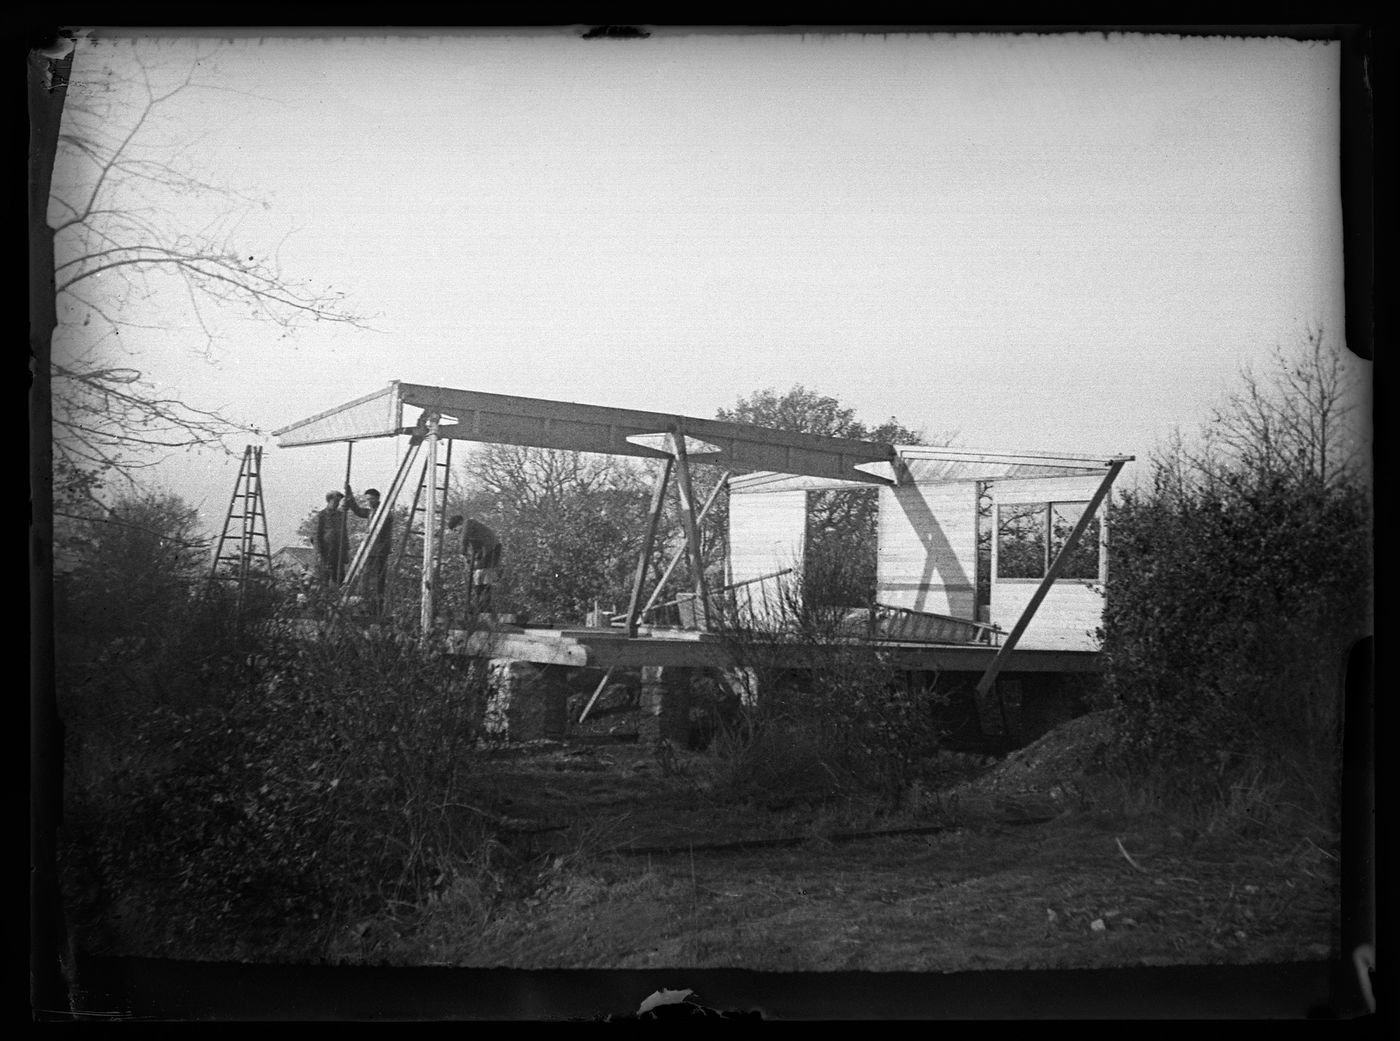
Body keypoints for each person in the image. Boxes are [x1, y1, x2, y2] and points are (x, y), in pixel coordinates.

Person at [345, 485, 392, 615]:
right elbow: (358, 511)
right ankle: (367, 605)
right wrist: (350, 496)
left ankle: (376, 608)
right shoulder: (372, 512)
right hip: (370, 550)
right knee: (366, 578)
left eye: (371, 499)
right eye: (367, 500)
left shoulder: (384, 512)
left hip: (379, 551)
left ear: (377, 499)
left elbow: (383, 529)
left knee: (378, 580)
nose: (369, 502)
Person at [447, 514, 503, 614]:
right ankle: (480, 604)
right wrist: (470, 561)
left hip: (492, 548)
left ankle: (485, 605)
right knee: (478, 576)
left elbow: (464, 541)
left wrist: (462, 552)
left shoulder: (468, 524)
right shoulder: (471, 531)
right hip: (486, 550)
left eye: (456, 529)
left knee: (484, 574)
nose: (457, 532)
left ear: (460, 524)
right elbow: (474, 548)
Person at [314, 491, 349, 586]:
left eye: (338, 502)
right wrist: (319, 553)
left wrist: (346, 552)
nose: (337, 504)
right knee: (325, 577)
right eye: (335, 502)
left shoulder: (341, 515)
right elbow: (317, 535)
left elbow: (344, 533)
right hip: (326, 551)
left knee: (339, 577)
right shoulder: (322, 515)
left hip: (339, 551)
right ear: (329, 501)